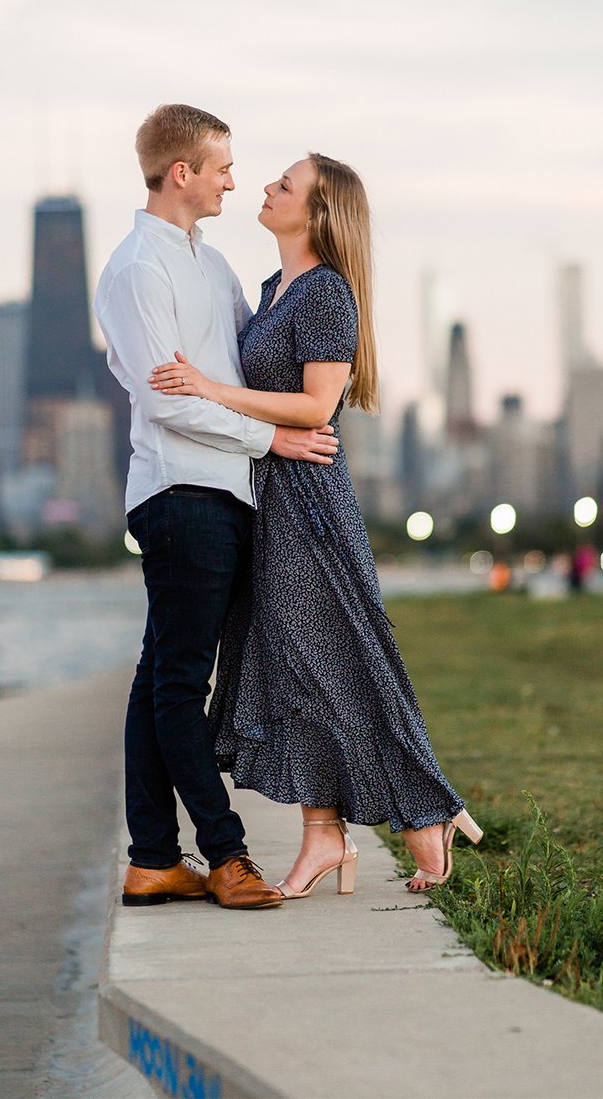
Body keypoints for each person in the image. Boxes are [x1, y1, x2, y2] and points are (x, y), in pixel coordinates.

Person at [148, 152, 480, 898]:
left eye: (284, 185)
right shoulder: (274, 290)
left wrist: (209, 388)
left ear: (318, 213)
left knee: (343, 659)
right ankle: (323, 835)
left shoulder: (326, 293)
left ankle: (428, 811)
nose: (265, 188)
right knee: (289, 669)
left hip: (308, 502)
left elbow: (316, 408)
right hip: (267, 495)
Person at [97, 104, 341, 912]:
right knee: (179, 685)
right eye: (222, 167)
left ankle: (153, 860)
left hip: (227, 493)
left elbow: (246, 375)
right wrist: (272, 442)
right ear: (182, 174)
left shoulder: (213, 265)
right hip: (180, 495)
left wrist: (302, 408)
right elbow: (167, 404)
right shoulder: (139, 271)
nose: (234, 180)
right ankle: (226, 854)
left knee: (157, 680)